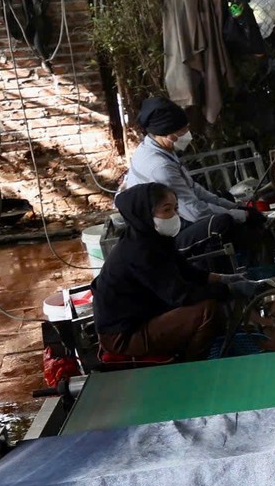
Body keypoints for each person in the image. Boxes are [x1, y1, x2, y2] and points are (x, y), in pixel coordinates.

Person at [92, 183, 256, 362]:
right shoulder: (139, 251)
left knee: (209, 299)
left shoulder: (153, 239)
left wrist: (224, 278)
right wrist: (229, 289)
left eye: (176, 208)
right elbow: (180, 295)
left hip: (144, 316)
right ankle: (191, 366)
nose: (175, 216)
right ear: (145, 213)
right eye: (167, 210)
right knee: (206, 310)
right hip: (123, 335)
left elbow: (187, 271)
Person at [118, 97, 262, 271]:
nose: (188, 133)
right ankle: (228, 276)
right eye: (183, 130)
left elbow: (194, 189)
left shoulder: (158, 148)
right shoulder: (160, 167)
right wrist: (240, 216)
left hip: (176, 212)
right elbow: (194, 211)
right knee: (222, 223)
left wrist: (236, 206)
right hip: (162, 233)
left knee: (224, 199)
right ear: (168, 133)